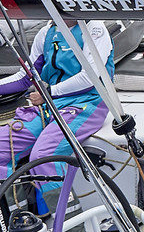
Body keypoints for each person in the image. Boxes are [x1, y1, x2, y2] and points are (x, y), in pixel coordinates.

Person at [0, 19, 115, 207]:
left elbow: (91, 77)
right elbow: (24, 77)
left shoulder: (95, 29)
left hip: (87, 104)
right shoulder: (46, 33)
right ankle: (18, 219)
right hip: (50, 104)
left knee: (44, 157)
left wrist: (49, 93)